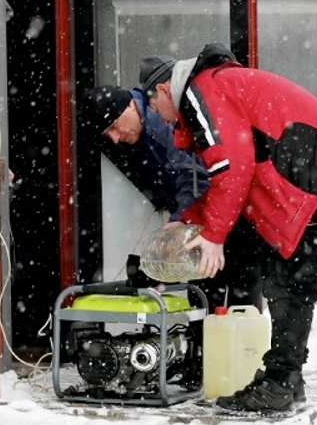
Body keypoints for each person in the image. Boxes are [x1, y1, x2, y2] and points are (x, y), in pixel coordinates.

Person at [142, 43, 317, 413]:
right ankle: (286, 379)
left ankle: (281, 383)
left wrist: (214, 237)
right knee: (287, 277)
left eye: (154, 105)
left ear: (163, 89)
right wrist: (190, 220)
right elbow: (229, 175)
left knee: (293, 280)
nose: (158, 114)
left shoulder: (202, 90)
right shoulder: (214, 85)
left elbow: (231, 166)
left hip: (316, 170)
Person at [85, 83, 263, 309]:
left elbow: (194, 177)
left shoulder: (160, 125)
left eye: (114, 126)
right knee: (210, 296)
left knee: (231, 297)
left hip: (227, 216)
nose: (115, 138)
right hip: (205, 218)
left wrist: (180, 219)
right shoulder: (137, 130)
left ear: (130, 106)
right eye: (107, 133)